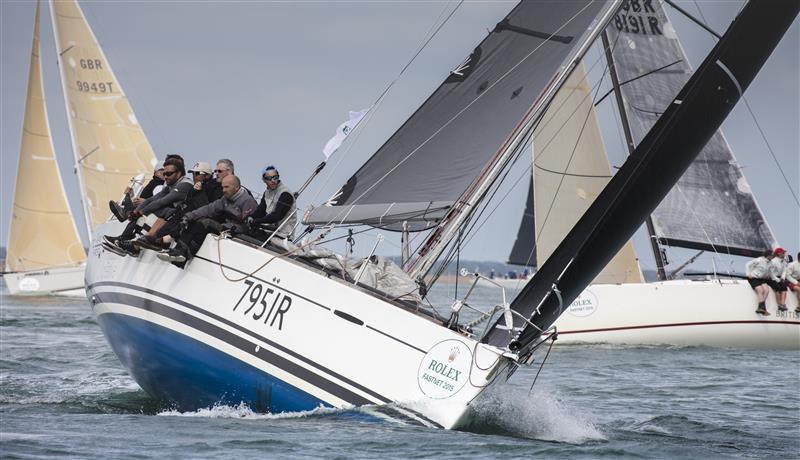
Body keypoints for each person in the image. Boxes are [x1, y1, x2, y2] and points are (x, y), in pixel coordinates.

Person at [158, 175, 257, 264]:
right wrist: (189, 216)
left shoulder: (248, 201)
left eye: (227, 187)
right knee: (193, 220)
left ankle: (183, 253)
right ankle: (178, 251)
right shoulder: (225, 198)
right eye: (222, 187)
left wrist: (233, 227)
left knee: (206, 223)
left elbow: (249, 226)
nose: (223, 190)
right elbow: (209, 208)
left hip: (236, 231)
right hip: (226, 226)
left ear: (236, 187)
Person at [103, 157, 193, 255]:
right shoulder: (171, 184)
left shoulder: (185, 185)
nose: (165, 177)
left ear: (179, 173)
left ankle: (130, 240)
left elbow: (162, 201)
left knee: (151, 210)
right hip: (173, 214)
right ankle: (125, 238)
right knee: (145, 211)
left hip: (183, 217)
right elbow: (152, 199)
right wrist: (136, 212)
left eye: (168, 174)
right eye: (164, 174)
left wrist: (140, 212)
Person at [133, 161, 222, 251]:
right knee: (174, 212)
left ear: (207, 176)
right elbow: (156, 199)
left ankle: (160, 240)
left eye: (197, 173)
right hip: (184, 214)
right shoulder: (196, 187)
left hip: (200, 218)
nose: (194, 176)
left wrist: (198, 192)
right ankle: (153, 238)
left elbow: (207, 206)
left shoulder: (213, 187)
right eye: (193, 173)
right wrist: (137, 212)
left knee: (178, 213)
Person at [109, 154, 183, 222]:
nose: (164, 173)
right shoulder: (157, 183)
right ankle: (126, 211)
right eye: (161, 170)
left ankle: (126, 213)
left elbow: (162, 201)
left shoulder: (161, 185)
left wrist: (144, 201)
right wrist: (132, 196)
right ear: (155, 172)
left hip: (152, 212)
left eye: (167, 171)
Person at [246, 166, 297, 240]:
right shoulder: (267, 192)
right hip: (270, 230)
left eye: (275, 177)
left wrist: (257, 221)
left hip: (283, 235)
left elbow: (277, 216)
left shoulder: (285, 194)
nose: (273, 180)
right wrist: (251, 217)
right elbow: (261, 210)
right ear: (263, 180)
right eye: (269, 178)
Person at [746, 249, 773, 315]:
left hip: (762, 279)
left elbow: (769, 272)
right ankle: (763, 308)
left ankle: (761, 307)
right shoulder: (759, 260)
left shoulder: (770, 262)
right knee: (760, 290)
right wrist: (748, 274)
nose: (773, 256)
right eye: (772, 255)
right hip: (754, 277)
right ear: (768, 255)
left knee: (766, 290)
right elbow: (748, 264)